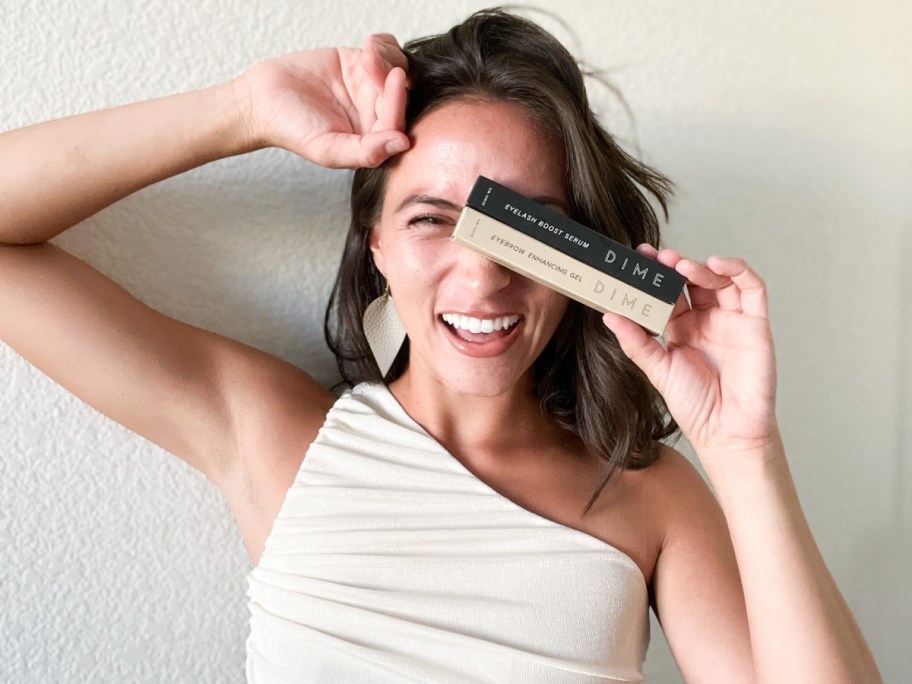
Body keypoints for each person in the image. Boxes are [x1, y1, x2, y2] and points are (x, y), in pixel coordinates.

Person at [0, 7, 880, 683]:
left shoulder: (652, 498)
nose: (483, 278)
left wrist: (745, 449)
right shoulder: (276, 437)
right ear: (375, 245)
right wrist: (240, 111)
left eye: (529, 229)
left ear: (586, 258)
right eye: (433, 220)